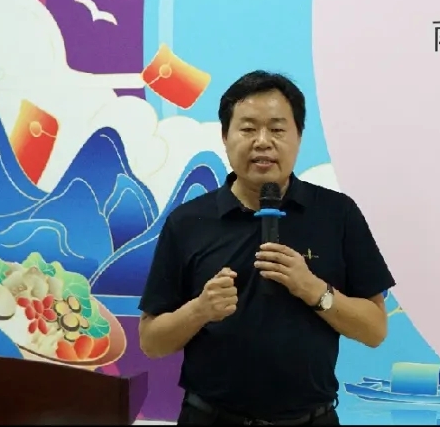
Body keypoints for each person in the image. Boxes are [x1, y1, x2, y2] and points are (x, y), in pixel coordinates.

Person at [138, 71, 395, 426]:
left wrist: (314, 290)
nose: (262, 142)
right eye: (248, 129)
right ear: (225, 137)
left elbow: (375, 329)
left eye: (277, 129)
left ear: (299, 137)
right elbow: (151, 342)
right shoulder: (187, 222)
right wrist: (200, 309)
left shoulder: (338, 214)